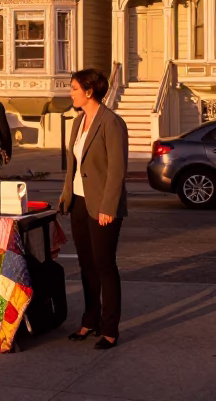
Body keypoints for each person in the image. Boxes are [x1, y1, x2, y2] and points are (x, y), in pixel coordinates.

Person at [57, 68, 128, 350]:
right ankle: (90, 320)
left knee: (104, 265)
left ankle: (110, 328)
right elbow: (73, 166)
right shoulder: (78, 122)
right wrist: (66, 196)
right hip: (78, 200)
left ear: (89, 91)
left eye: (74, 88)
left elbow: (117, 170)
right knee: (86, 265)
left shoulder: (111, 122)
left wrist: (108, 206)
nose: (70, 93)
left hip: (103, 205)